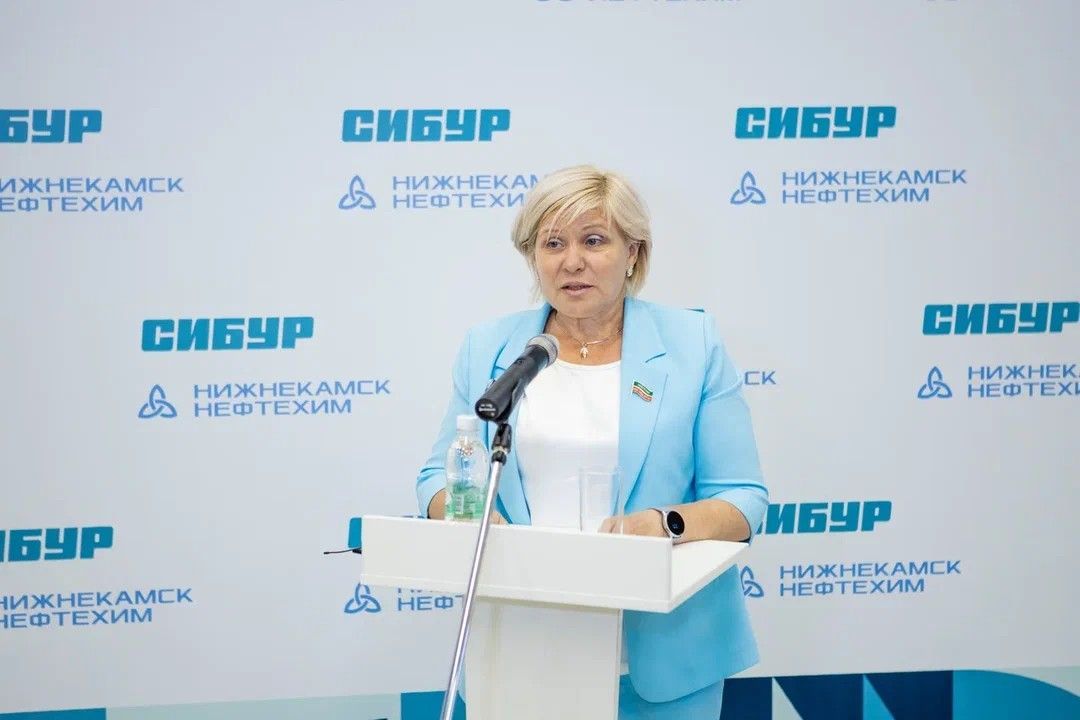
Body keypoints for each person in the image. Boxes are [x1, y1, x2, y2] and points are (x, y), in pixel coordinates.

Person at [416, 165, 767, 719]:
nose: (572, 261)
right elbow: (437, 478)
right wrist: (464, 512)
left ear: (633, 253)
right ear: (533, 257)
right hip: (520, 644)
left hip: (661, 657)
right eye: (553, 243)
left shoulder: (691, 343)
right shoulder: (491, 347)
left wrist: (663, 524)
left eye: (594, 241)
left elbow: (744, 500)